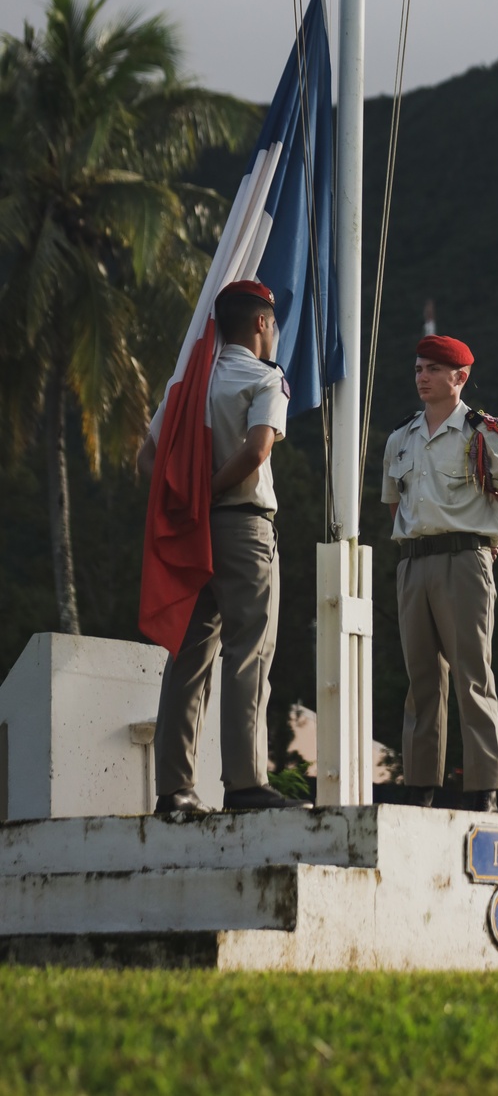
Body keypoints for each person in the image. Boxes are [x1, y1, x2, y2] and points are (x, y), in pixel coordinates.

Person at [138, 279, 302, 813]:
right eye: (272, 323)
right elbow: (257, 451)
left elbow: (148, 458)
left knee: (187, 659)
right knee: (248, 651)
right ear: (261, 323)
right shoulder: (265, 379)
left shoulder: (185, 386)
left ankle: (175, 789)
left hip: (191, 532)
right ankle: (245, 783)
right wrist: (209, 492)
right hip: (241, 527)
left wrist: (184, 501)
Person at [382, 334, 498, 813]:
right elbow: (395, 507)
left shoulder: (483, 433)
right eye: (418, 369)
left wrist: (484, 543)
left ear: (459, 378)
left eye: (432, 370)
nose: (422, 378)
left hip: (466, 561)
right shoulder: (400, 438)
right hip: (413, 563)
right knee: (421, 679)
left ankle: (484, 787)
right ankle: (421, 787)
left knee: (472, 675)